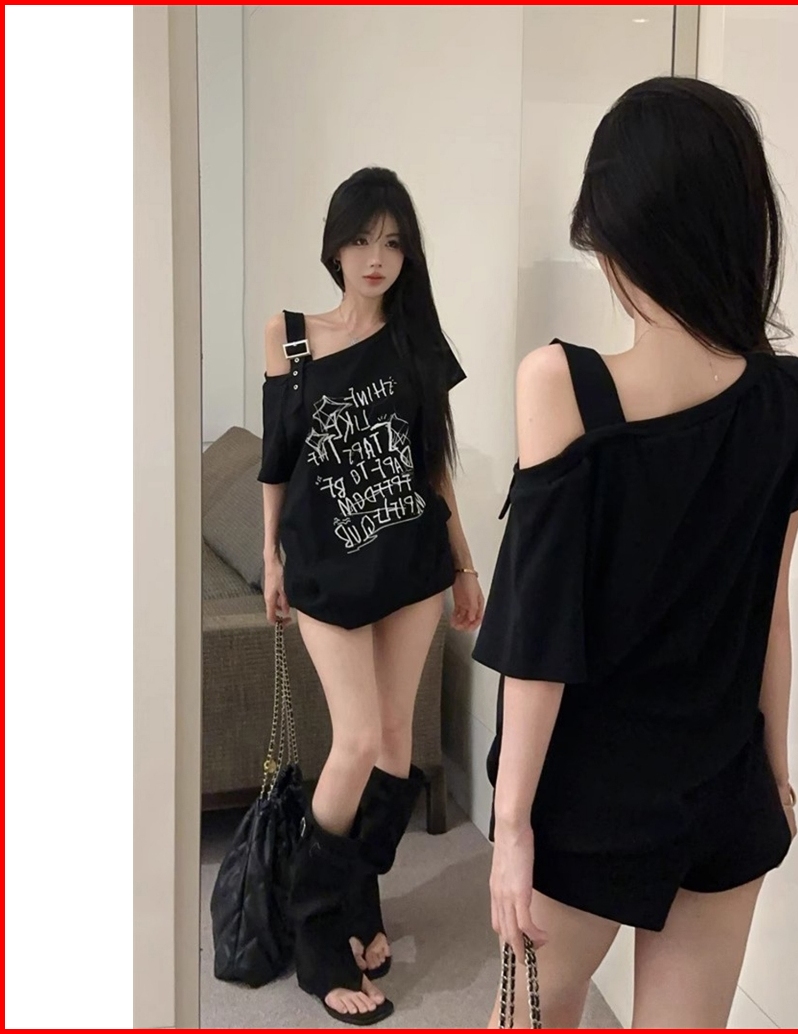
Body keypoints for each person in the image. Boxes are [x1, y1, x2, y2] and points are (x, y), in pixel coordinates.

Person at [472, 76, 798, 1029]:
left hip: (584, 804)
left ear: (625, 234)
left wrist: (512, 828)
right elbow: (772, 613)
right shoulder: (794, 400)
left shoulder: (563, 386)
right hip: (724, 788)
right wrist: (774, 773)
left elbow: (539, 637)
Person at [258, 167, 484, 1025]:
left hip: (412, 563)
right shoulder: (290, 336)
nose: (375, 257)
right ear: (335, 246)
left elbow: (434, 465)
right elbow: (278, 457)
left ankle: (358, 899)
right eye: (360, 239)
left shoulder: (416, 340)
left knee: (394, 744)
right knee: (354, 741)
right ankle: (319, 927)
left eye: (392, 241)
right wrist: (272, 554)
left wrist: (464, 563)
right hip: (326, 566)